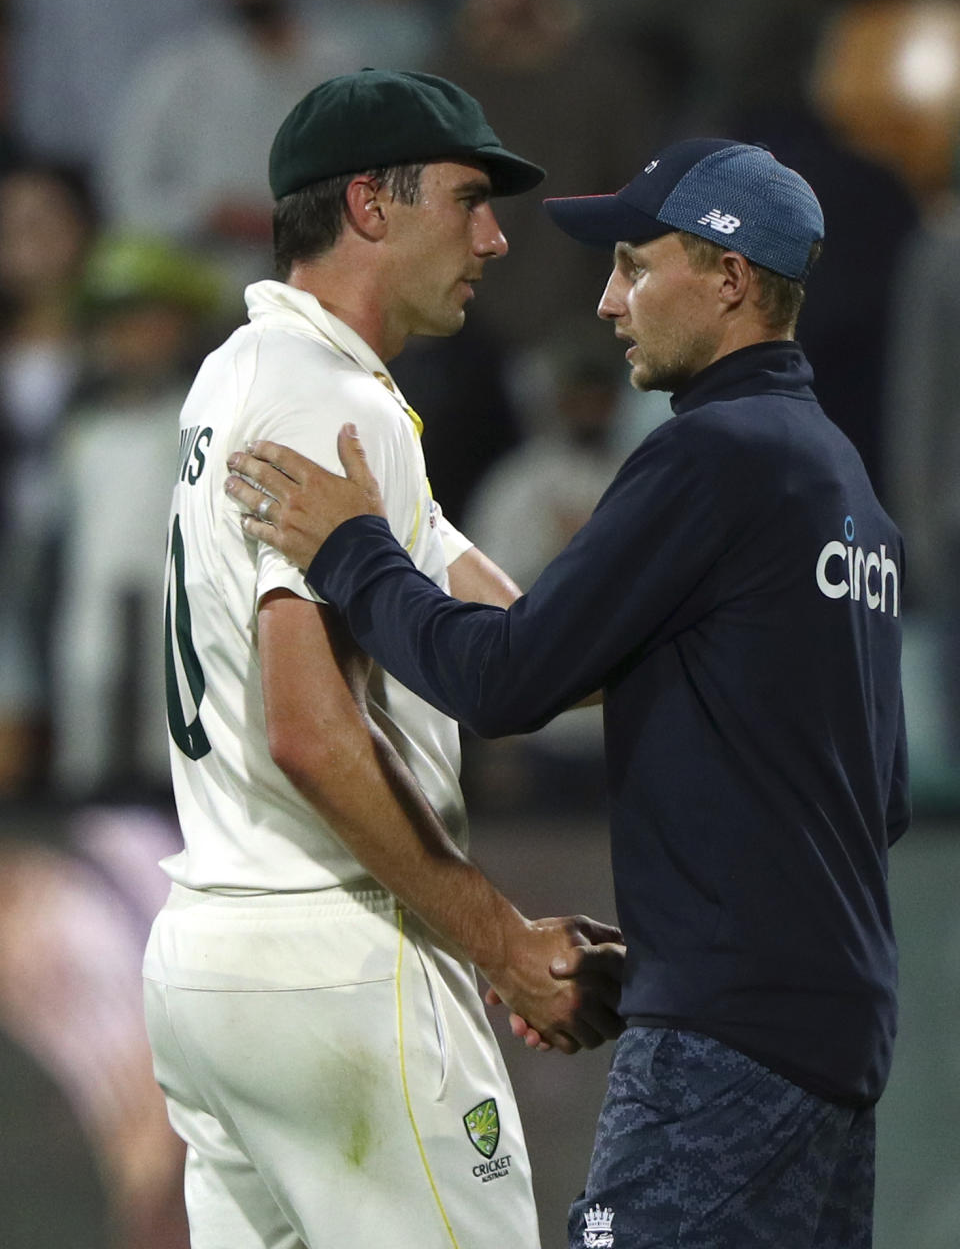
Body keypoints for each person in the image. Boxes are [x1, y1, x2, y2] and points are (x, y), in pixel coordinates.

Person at [226, 138, 911, 1248]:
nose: (606, 302)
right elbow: (864, 801)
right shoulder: (844, 492)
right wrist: (679, 954)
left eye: (636, 267)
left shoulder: (714, 457)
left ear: (729, 279)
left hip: (729, 1044)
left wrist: (353, 548)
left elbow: (501, 679)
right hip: (838, 1037)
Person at [150, 67, 625, 1249]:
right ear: (369, 202)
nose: (496, 236)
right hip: (334, 953)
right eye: (468, 199)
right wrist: (503, 942)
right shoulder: (324, 402)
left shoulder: (245, 374)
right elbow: (310, 730)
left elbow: (522, 642)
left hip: (211, 955)